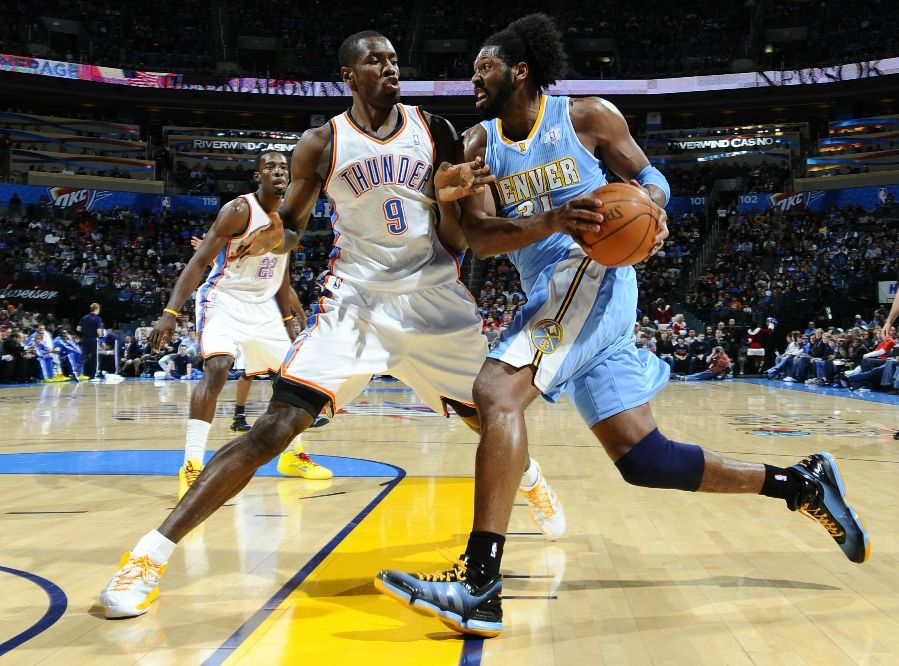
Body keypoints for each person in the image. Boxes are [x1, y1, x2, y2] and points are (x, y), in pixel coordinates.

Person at [375, 13, 870, 638]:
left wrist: (655, 210)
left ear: (520, 71)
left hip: (596, 277)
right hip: (554, 293)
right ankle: (799, 484)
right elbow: (480, 238)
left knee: (496, 392)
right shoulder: (478, 145)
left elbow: (650, 178)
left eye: (485, 68)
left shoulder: (586, 118)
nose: (473, 78)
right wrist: (545, 217)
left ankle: (480, 584)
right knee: (646, 458)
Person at [98, 30, 563, 619]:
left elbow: (459, 238)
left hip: (434, 301)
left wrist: (447, 200)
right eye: (376, 60)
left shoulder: (437, 131)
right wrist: (276, 236)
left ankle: (530, 477)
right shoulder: (321, 143)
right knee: (275, 427)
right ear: (349, 75)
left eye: (395, 59)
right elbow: (293, 225)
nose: (390, 68)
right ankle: (149, 556)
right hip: (356, 305)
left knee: (488, 418)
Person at [149, 151, 332, 500]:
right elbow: (200, 260)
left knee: (298, 380)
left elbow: (282, 275)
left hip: (264, 305)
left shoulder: (294, 212)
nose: (278, 172)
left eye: (283, 167)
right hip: (226, 299)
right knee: (217, 368)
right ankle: (191, 463)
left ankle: (293, 456)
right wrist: (171, 313)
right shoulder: (239, 210)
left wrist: (291, 318)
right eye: (270, 167)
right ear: (258, 176)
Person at [76, 302, 103, 381]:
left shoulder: (84, 317)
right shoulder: (98, 318)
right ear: (96, 309)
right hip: (92, 340)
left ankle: (77, 371)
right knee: (93, 358)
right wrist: (101, 334)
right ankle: (92, 376)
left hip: (84, 339)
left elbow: (78, 329)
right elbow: (99, 332)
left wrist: (86, 330)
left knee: (83, 356)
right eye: (99, 309)